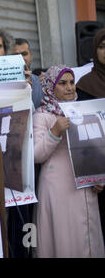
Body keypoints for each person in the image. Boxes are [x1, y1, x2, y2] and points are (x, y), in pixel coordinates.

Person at [33, 65, 104, 257]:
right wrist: (54, 131)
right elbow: (37, 155)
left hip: (85, 185)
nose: (70, 88)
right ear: (50, 87)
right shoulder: (42, 115)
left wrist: (99, 178)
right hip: (59, 190)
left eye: (72, 82)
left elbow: (94, 150)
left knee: (88, 239)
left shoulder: (83, 111)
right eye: (62, 83)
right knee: (65, 240)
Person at [76, 28, 105, 245]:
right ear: (95, 51)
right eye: (102, 47)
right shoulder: (85, 85)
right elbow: (83, 134)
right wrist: (95, 174)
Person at [12, 38, 43, 109]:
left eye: (24, 54)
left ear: (31, 56)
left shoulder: (39, 82)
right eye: (16, 55)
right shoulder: (5, 82)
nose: (21, 58)